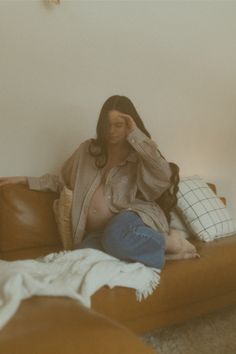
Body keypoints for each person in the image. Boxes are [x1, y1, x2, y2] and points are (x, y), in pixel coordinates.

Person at [0, 95, 199, 268]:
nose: (111, 131)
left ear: (130, 125)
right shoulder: (87, 151)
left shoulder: (139, 156)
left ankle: (172, 243)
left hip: (130, 220)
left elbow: (163, 176)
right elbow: (61, 180)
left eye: (119, 125)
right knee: (80, 257)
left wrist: (136, 136)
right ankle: (169, 258)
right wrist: (25, 180)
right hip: (100, 233)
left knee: (115, 236)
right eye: (107, 125)